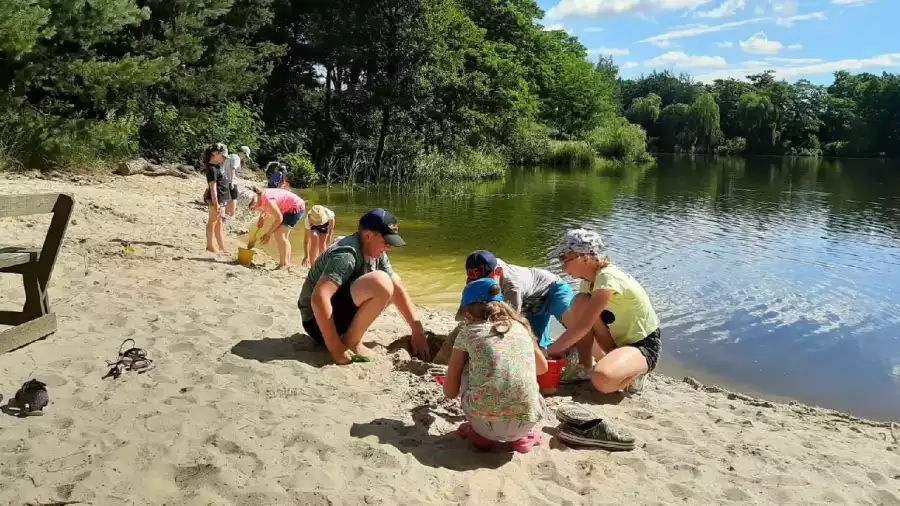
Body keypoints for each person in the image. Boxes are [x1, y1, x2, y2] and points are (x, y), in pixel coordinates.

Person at [296, 209, 429, 365]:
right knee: (381, 281)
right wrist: (336, 349)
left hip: (338, 314)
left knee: (392, 281)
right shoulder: (346, 255)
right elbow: (319, 297)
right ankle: (350, 342)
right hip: (316, 322)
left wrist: (416, 329)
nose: (389, 247)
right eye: (386, 242)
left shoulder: (376, 253)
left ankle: (350, 338)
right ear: (368, 236)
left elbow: (397, 287)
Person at [546, 229, 661, 394]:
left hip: (642, 346)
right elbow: (582, 323)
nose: (562, 267)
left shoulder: (608, 278)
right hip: (615, 343)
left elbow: (582, 328)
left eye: (564, 259)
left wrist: (549, 352)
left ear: (584, 258)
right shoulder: (589, 281)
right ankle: (584, 367)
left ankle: (636, 374)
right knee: (580, 301)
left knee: (602, 380)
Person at [443, 278, 547, 453]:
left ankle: (481, 436)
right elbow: (543, 368)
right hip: (527, 421)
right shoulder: (522, 328)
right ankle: (522, 437)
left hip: (483, 423)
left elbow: (450, 392)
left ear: (467, 314)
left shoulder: (468, 333)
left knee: (467, 365)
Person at [248, 187, 306, 270]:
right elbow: (268, 209)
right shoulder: (261, 196)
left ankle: (285, 264)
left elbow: (279, 218)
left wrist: (268, 234)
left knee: (280, 235)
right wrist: (262, 217)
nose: (253, 210)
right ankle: (286, 263)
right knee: (282, 236)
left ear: (255, 200)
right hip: (287, 208)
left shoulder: (268, 201)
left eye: (253, 207)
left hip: (295, 208)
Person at [203, 143, 231, 253]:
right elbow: (213, 188)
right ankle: (210, 245)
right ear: (215, 154)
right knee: (213, 221)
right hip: (216, 200)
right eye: (223, 156)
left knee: (220, 222)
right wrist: (216, 203)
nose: (224, 159)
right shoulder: (211, 169)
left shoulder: (218, 166)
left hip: (222, 199)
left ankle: (221, 246)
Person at [224, 146, 252, 218]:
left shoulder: (229, 156)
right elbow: (233, 168)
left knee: (229, 197)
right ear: (243, 153)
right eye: (245, 156)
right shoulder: (237, 158)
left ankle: (227, 213)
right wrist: (233, 179)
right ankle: (232, 215)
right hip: (231, 180)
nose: (244, 158)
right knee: (234, 197)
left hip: (225, 180)